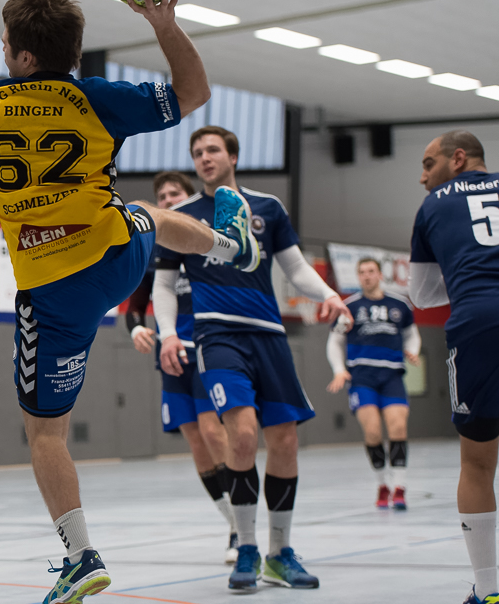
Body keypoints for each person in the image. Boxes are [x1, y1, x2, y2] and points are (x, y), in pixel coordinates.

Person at [0, 0, 257, 604]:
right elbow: (194, 93)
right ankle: (227, 245)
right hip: (115, 256)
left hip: (51, 294)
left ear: (22, 55)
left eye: (5, 43)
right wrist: (163, 23)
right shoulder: (94, 98)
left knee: (46, 432)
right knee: (151, 214)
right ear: (72, 51)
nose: (2, 49)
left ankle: (81, 557)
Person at [156, 125, 352, 592]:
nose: (204, 158)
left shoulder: (268, 208)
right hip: (217, 336)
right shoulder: (182, 216)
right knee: (242, 435)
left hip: (269, 335)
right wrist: (167, 334)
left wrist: (330, 295)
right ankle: (246, 546)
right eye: (197, 152)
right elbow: (163, 285)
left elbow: (296, 268)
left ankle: (280, 553)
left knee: (284, 440)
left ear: (233, 157)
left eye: (213, 150)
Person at [125, 171, 237, 564]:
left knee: (213, 431)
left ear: (189, 200)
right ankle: (233, 522)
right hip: (171, 355)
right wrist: (137, 328)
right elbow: (136, 304)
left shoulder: (208, 244)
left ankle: (241, 521)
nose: (168, 199)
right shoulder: (153, 253)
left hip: (206, 348)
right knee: (195, 439)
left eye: (175, 193)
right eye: (162, 195)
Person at [408, 130, 499, 604]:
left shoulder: (433, 206)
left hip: (478, 324)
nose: (423, 177)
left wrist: (468, 272)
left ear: (458, 158)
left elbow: (422, 295)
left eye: (428, 164)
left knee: (477, 462)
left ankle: (490, 591)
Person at [326, 258, 420, 510]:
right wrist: (339, 370)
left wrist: (412, 351)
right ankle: (382, 484)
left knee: (398, 427)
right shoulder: (349, 307)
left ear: (380, 275)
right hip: (362, 377)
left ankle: (399, 487)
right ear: (358, 277)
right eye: (362, 272)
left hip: (392, 375)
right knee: (373, 432)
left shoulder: (400, 304)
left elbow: (412, 334)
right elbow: (335, 342)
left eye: (371, 271)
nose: (366, 276)